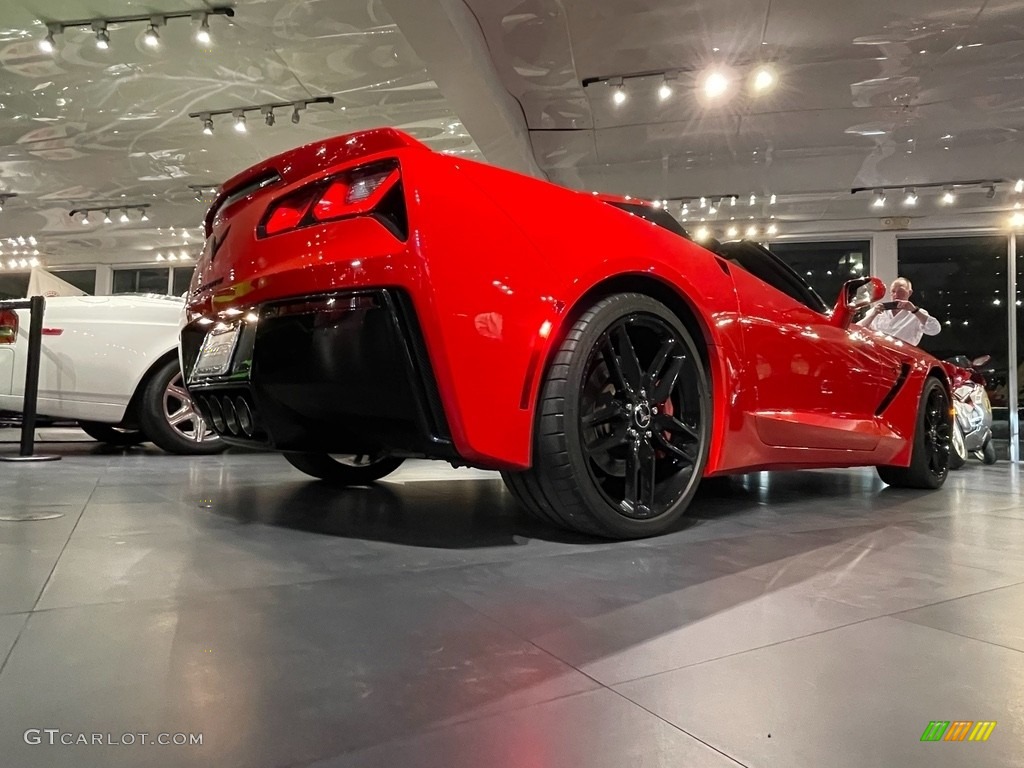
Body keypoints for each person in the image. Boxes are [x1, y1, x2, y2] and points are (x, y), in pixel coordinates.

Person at [857, 277, 941, 345]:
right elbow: (857, 329)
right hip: (879, 357)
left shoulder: (917, 314)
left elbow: (934, 330)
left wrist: (914, 310)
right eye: (893, 291)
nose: (896, 295)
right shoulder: (878, 311)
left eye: (900, 291)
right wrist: (873, 315)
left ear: (909, 292)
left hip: (904, 358)